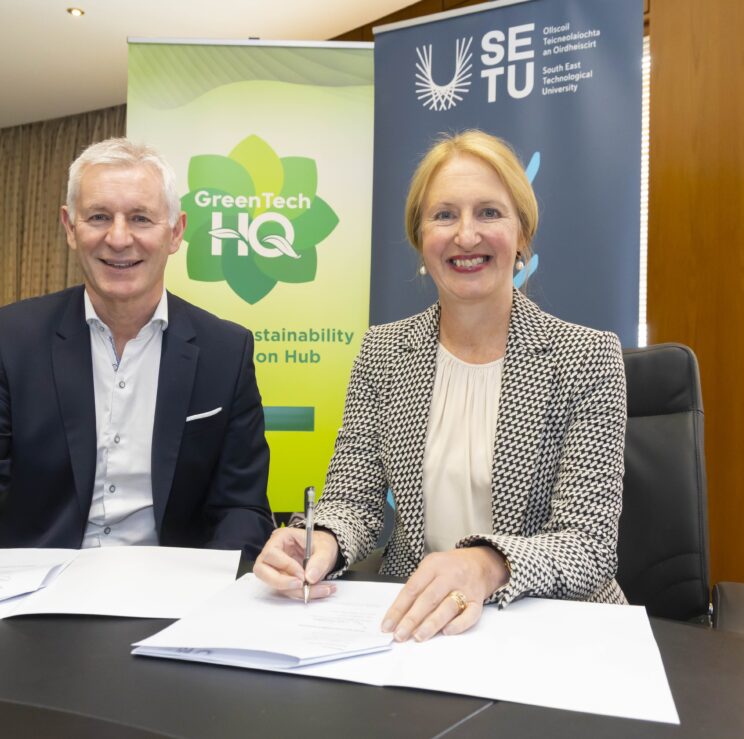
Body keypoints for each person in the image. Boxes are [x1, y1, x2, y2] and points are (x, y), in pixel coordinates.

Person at [254, 130, 627, 642]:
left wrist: (486, 564)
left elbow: (588, 544)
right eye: (444, 215)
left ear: (522, 235)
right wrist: (318, 539)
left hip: (552, 624)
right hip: (418, 625)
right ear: (419, 238)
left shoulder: (586, 357)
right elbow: (352, 501)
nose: (466, 235)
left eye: (490, 213)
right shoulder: (383, 353)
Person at [0, 138, 273, 584]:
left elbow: (242, 506)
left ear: (176, 232)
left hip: (171, 593)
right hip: (31, 597)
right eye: (99, 216)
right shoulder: (10, 338)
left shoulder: (227, 350)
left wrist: (210, 589)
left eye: (141, 218)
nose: (119, 238)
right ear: (70, 227)